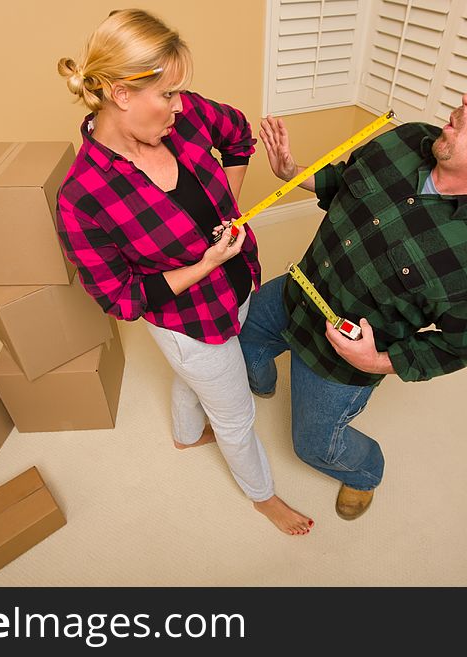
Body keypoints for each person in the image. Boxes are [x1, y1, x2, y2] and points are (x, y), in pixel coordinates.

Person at [240, 35, 467, 520]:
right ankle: (259, 383)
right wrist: (293, 171)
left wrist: (379, 361)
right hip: (297, 289)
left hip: (340, 363)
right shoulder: (404, 139)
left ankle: (365, 471)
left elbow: (462, 347)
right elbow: (345, 181)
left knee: (314, 448)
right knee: (244, 335)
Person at [55, 9, 313, 535]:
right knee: (235, 412)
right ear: (122, 93)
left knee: (198, 379)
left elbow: (239, 134)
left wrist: (229, 210)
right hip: (190, 322)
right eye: (167, 94)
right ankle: (263, 497)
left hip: (239, 282)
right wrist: (202, 265)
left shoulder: (187, 115)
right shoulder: (83, 197)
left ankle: (185, 433)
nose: (179, 105)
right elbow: (120, 298)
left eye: (179, 92)